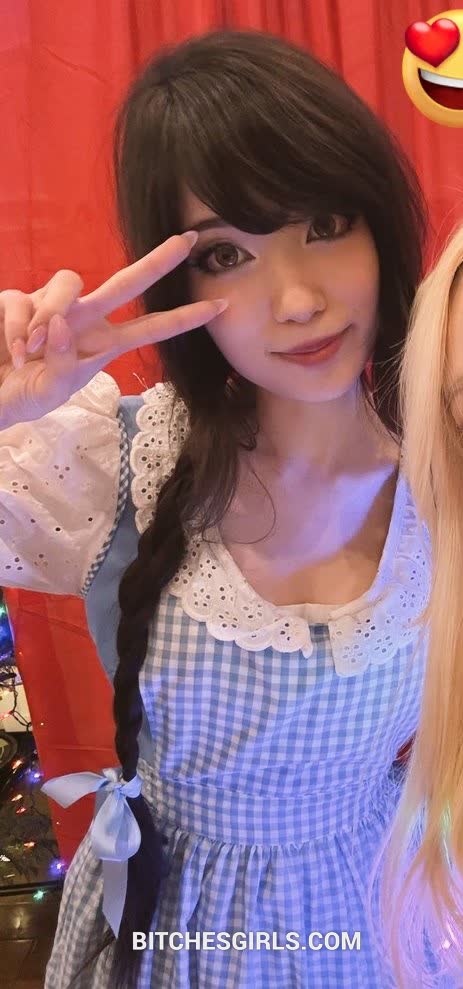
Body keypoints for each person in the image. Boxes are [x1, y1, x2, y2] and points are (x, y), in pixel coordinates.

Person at [0, 27, 462, 989]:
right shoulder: (110, 463)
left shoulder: (442, 478)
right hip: (166, 928)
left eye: (325, 223)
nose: (295, 299)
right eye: (225, 253)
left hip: (370, 919)